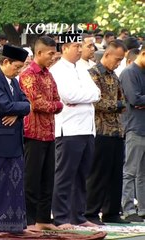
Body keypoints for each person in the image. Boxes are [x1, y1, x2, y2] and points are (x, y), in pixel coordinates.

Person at [50, 40, 101, 229]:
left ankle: (78, 215)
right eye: (76, 46)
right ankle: (61, 217)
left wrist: (85, 97)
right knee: (65, 175)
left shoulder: (82, 69)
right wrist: (87, 97)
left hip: (87, 128)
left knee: (82, 175)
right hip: (69, 130)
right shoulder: (57, 71)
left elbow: (97, 93)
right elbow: (69, 96)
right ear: (64, 48)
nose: (80, 50)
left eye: (81, 46)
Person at [0, 45, 30, 235]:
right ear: (5, 62)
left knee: (14, 185)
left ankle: (13, 224)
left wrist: (17, 113)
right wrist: (20, 109)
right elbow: (5, 105)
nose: (19, 71)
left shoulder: (13, 81)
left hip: (14, 141)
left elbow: (26, 103)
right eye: (17, 67)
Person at [19, 36, 63, 230]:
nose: (53, 57)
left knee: (47, 178)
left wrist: (53, 105)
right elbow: (36, 104)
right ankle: (29, 220)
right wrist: (54, 105)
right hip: (32, 134)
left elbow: (58, 101)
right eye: (50, 53)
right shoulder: (28, 74)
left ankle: (44, 219)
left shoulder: (48, 75)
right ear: (38, 53)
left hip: (49, 133)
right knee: (31, 179)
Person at [85, 40, 130, 225]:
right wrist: (117, 106)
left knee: (115, 173)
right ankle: (91, 212)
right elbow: (97, 102)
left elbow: (124, 101)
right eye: (117, 59)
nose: (118, 63)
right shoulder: (93, 74)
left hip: (117, 131)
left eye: (121, 60)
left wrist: (117, 106)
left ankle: (112, 212)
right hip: (100, 130)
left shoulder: (115, 76)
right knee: (98, 174)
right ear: (107, 55)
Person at [120, 45, 145, 222]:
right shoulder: (129, 73)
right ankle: (128, 209)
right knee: (130, 171)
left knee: (143, 172)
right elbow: (135, 99)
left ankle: (142, 208)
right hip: (135, 127)